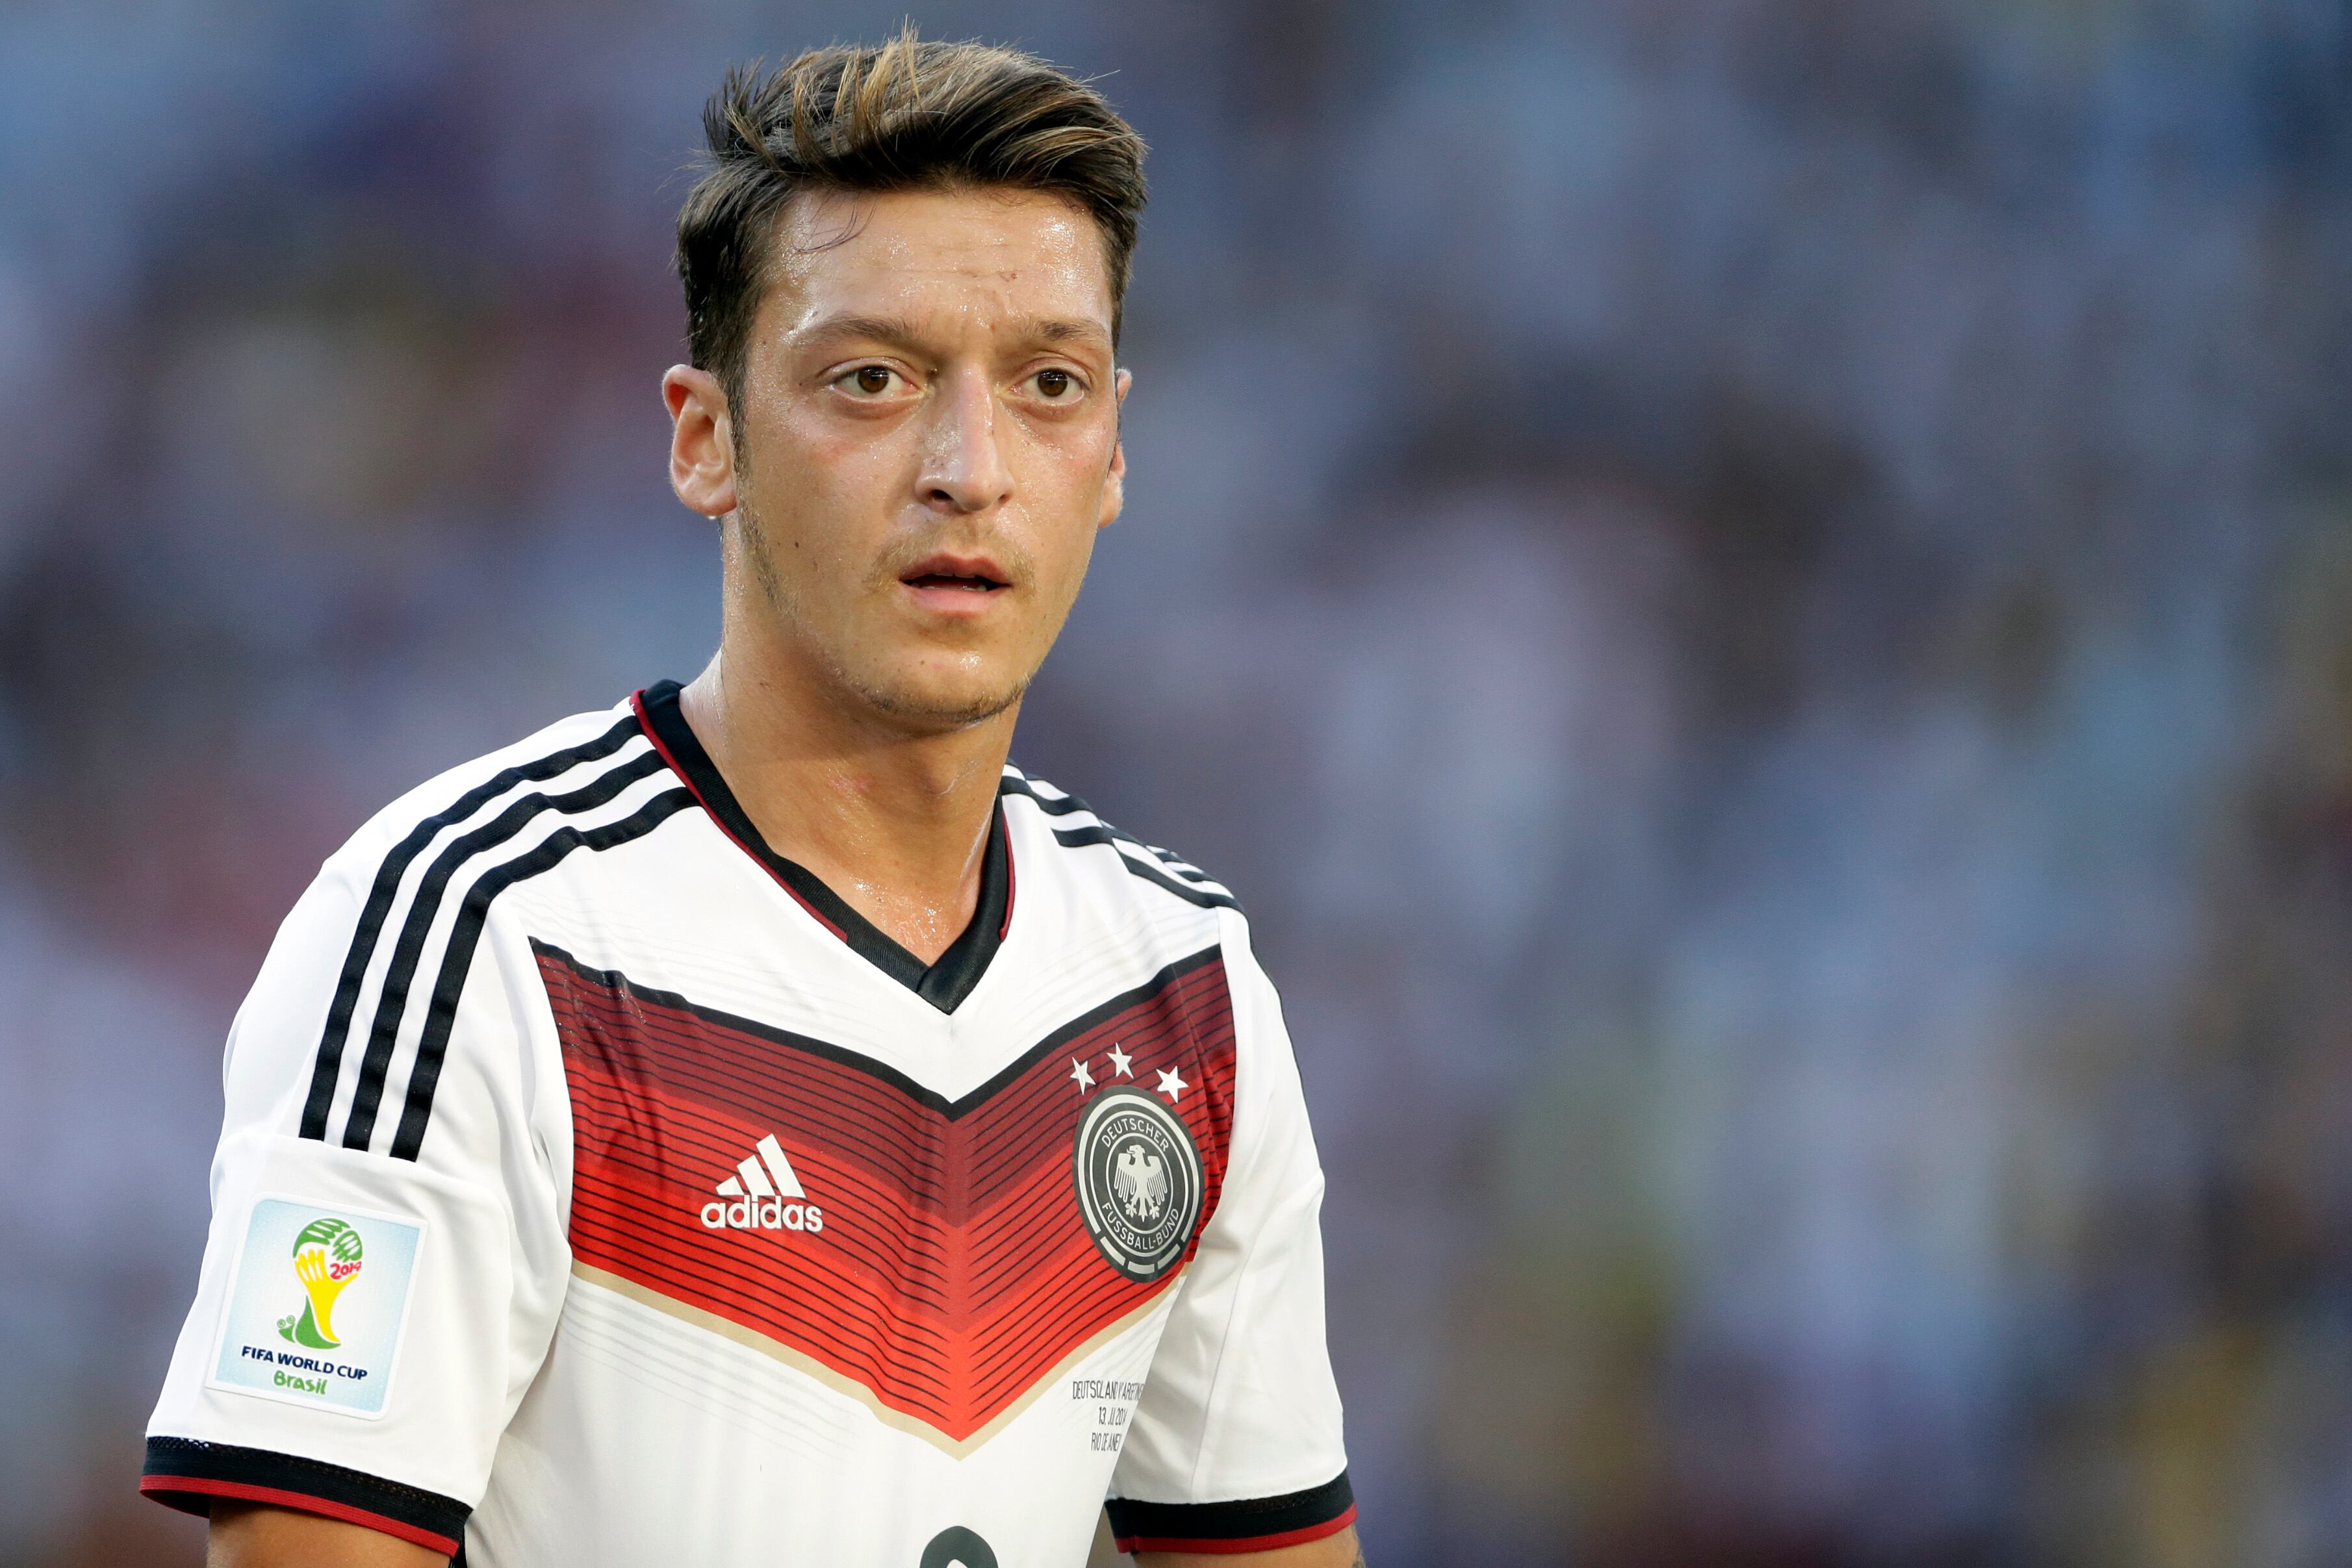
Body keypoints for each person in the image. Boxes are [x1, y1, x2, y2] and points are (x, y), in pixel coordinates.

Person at [137, 30, 1360, 1568]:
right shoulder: (472, 934)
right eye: (871, 380)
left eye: (1047, 384)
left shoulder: (1182, 995)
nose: (969, 466)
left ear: (1113, 451)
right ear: (705, 440)